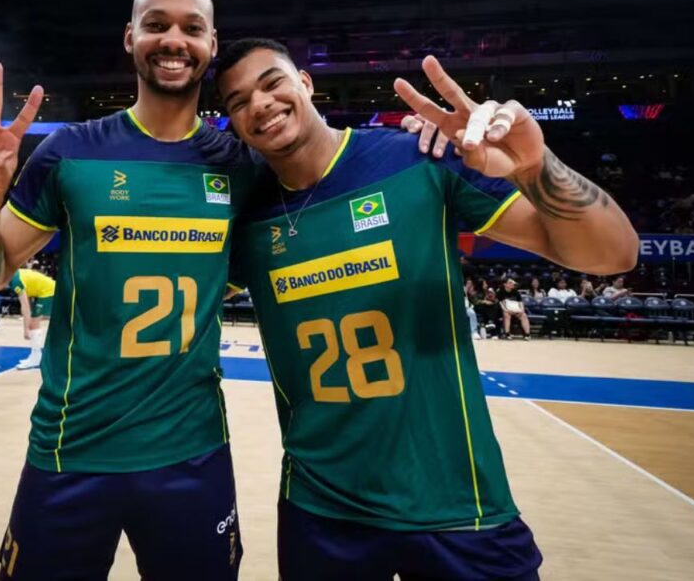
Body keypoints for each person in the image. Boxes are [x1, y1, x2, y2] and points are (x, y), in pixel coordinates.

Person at [216, 38, 638, 580]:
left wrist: (534, 166)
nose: (260, 104)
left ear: (305, 82)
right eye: (237, 101)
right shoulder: (244, 218)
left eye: (272, 83)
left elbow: (614, 254)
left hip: (455, 504)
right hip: (320, 512)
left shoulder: (417, 157)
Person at [0, 0, 252, 579]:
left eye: (192, 28)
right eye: (156, 24)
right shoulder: (71, 150)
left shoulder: (241, 164)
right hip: (70, 448)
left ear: (213, 44)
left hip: (190, 454)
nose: (174, 39)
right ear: (129, 37)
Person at [9, 263, 56, 370]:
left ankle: (36, 357)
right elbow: (28, 300)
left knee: (34, 323)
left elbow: (25, 305)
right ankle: (36, 356)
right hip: (46, 290)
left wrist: (26, 329)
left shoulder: (15, 281)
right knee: (34, 321)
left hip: (49, 291)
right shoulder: (15, 274)